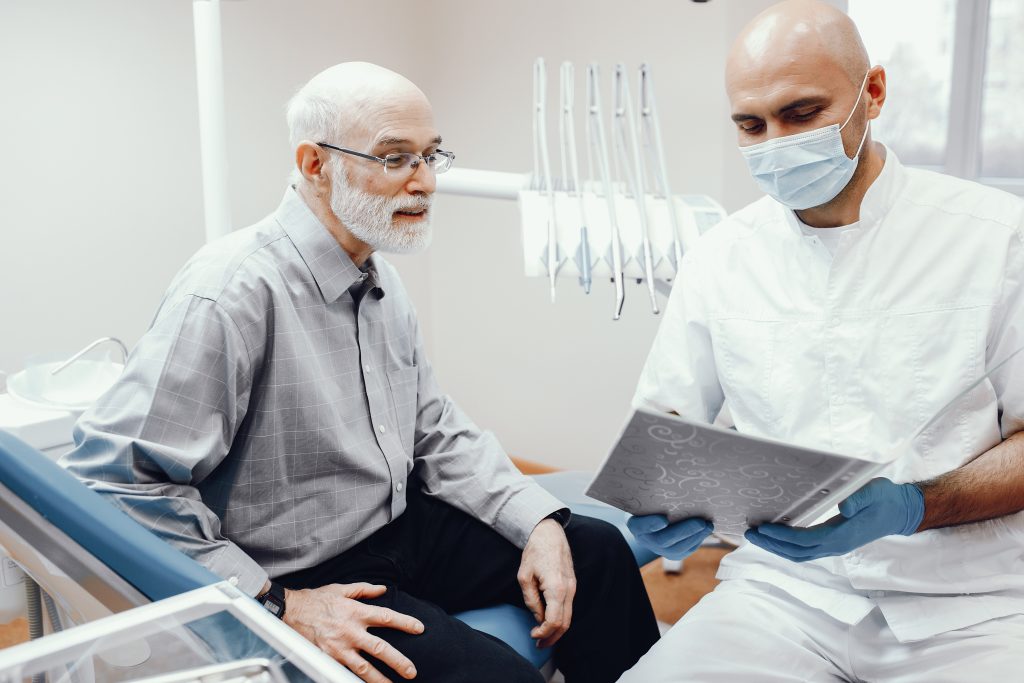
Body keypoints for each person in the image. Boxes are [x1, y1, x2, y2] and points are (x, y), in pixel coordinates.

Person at [62, 62, 658, 683]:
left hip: (399, 528)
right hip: (299, 570)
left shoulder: (379, 275)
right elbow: (114, 486)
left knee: (595, 552)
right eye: (396, 157)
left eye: (431, 155)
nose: (424, 181)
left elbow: (431, 426)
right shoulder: (229, 294)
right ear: (316, 164)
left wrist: (533, 518)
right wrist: (278, 604)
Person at [618, 1, 1024, 681]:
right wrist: (657, 506)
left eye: (801, 113)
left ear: (873, 92)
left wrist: (916, 503)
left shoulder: (996, 237)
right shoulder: (722, 257)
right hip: (781, 596)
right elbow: (668, 425)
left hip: (972, 606)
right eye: (752, 124)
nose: (775, 141)